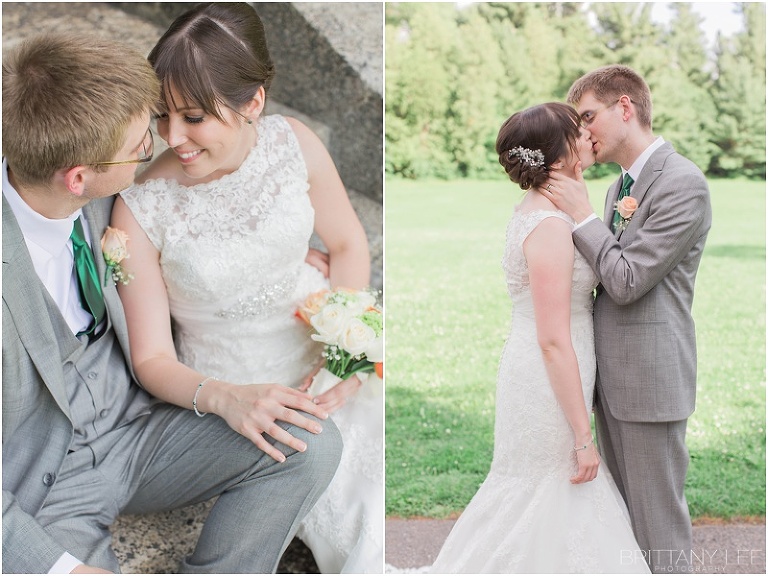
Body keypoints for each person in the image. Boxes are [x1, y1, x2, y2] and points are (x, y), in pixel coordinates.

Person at [2, 32, 342, 575]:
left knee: (305, 440)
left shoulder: (91, 186)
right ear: (79, 178)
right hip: (51, 481)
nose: (158, 147)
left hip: (144, 429)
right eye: (141, 142)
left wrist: (282, 257)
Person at [110, 3, 383, 573]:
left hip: (320, 366)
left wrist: (347, 358)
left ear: (252, 102)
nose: (172, 137)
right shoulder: (141, 207)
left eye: (193, 118)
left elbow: (349, 246)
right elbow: (151, 359)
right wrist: (222, 397)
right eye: (163, 117)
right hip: (233, 389)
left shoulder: (295, 143)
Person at [427, 103, 649, 574]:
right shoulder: (548, 226)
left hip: (559, 362)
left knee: (552, 487)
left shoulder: (554, 209)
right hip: (547, 374)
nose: (588, 136)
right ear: (557, 153)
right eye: (578, 132)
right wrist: (584, 434)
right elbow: (552, 338)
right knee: (556, 479)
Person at [542, 65, 711, 574]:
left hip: (650, 380)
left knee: (657, 525)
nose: (582, 130)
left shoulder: (683, 183)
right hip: (610, 379)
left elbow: (628, 280)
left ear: (625, 107)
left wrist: (583, 216)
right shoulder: (621, 187)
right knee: (620, 523)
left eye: (588, 115)